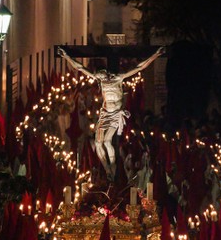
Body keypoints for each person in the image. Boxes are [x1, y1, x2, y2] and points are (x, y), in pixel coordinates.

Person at [58, 46, 165, 179]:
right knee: (98, 143)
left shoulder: (118, 78)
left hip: (115, 114)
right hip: (105, 113)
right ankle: (107, 168)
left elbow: (139, 68)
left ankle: (113, 168)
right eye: (100, 75)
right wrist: (66, 57)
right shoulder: (101, 80)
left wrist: (155, 55)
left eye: (103, 74)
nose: (102, 76)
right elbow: (81, 68)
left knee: (107, 142)